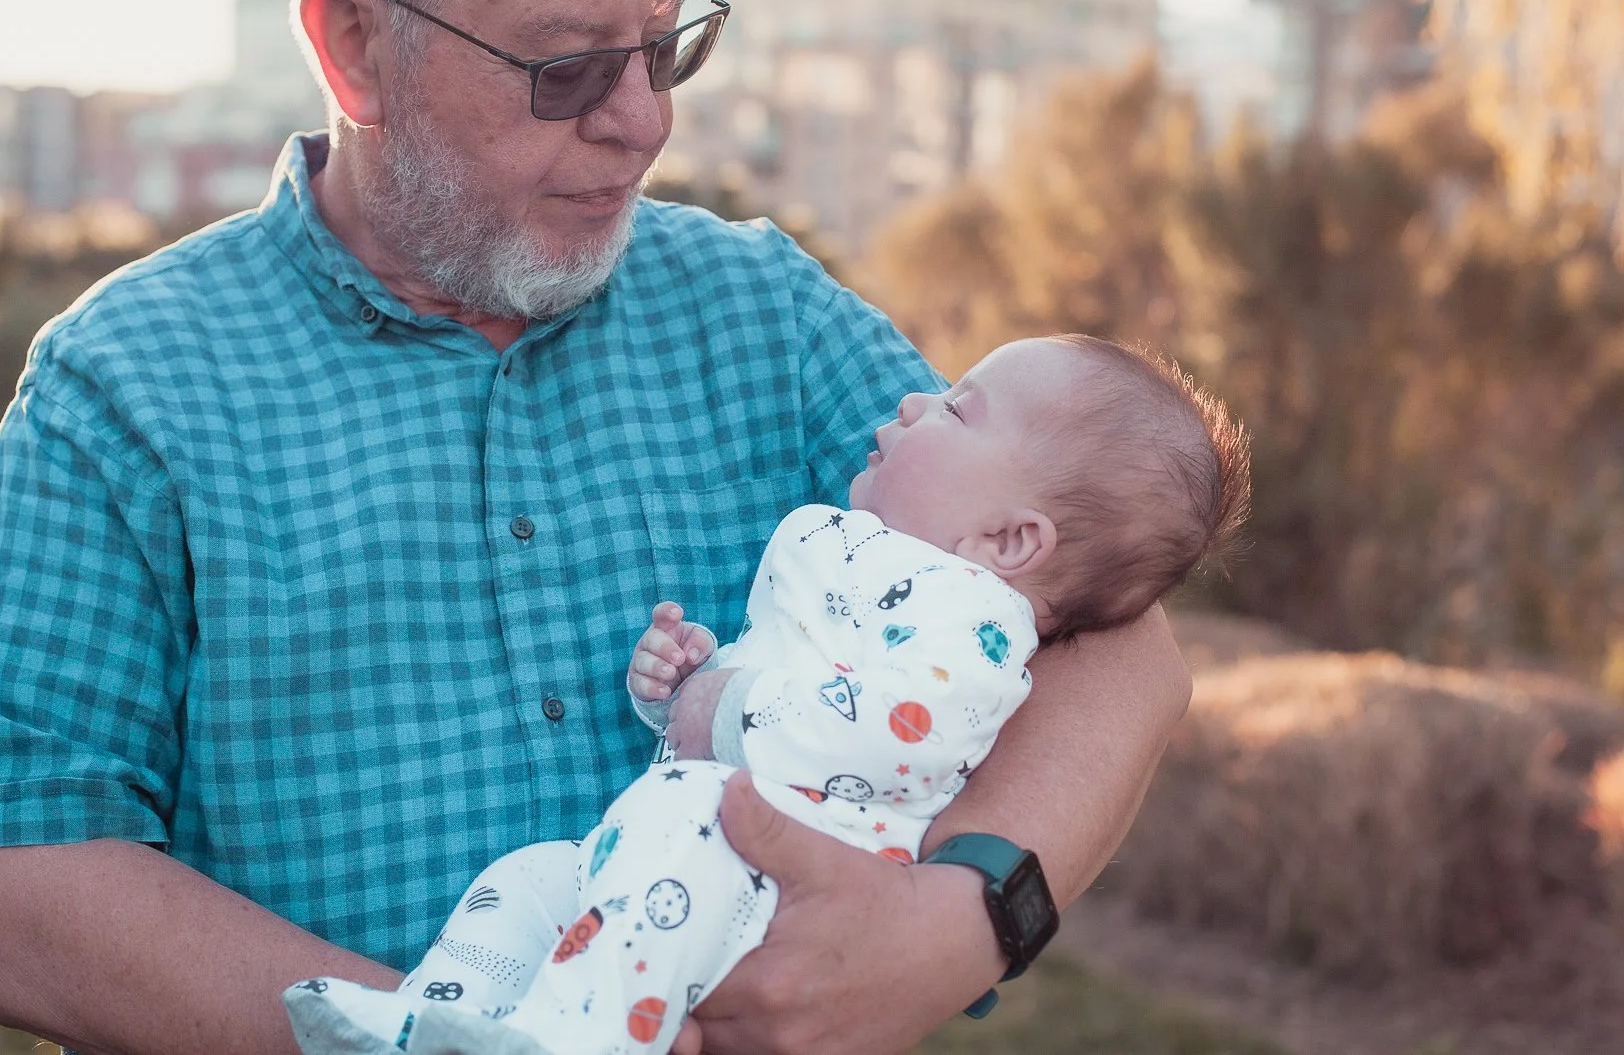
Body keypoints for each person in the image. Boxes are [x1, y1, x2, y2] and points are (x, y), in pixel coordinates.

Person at [0, 0, 1197, 1055]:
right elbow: (15, 892)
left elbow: (1109, 625)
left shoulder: (761, 308)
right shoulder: (126, 387)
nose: (643, 120)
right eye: (566, 66)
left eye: (663, 45)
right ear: (356, 50)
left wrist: (963, 918)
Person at [283, 334, 1250, 1055]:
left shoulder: (979, 624)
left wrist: (728, 709)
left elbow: (901, 733)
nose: (914, 399)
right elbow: (776, 670)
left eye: (956, 407)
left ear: (1011, 542)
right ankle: (432, 1019)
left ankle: (580, 1041)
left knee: (693, 803)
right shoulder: (883, 558)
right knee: (532, 879)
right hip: (670, 852)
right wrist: (686, 677)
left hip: (776, 873)